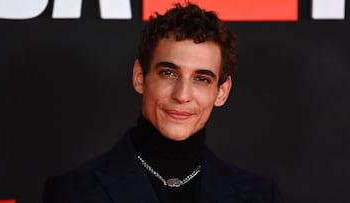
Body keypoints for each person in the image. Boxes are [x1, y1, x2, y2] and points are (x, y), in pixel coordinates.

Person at [43, 2, 280, 203]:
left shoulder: (259, 196)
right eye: (169, 73)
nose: (182, 94)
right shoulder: (74, 192)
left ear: (221, 91)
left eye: (201, 79)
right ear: (140, 77)